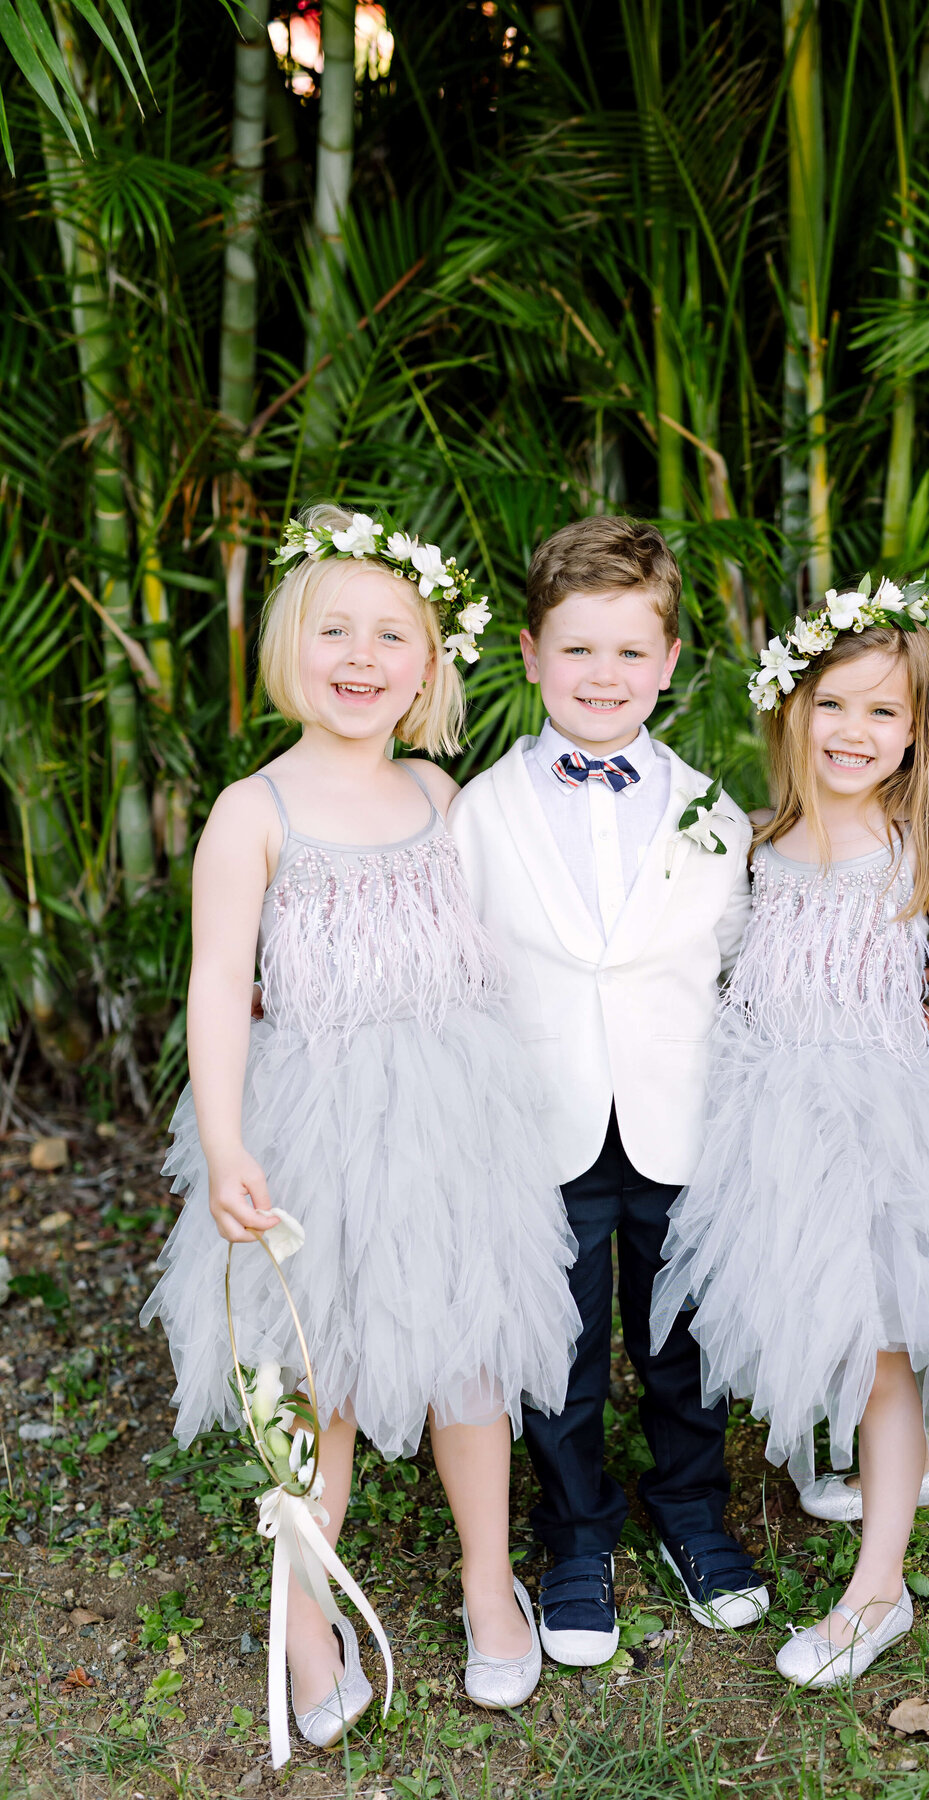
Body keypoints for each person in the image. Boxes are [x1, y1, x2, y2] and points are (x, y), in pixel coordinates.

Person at [142, 504, 579, 1741]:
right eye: (335, 628)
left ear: (430, 661)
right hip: (316, 1126)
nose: (360, 654)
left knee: (470, 1361)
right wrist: (229, 1144)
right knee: (323, 1374)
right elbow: (221, 986)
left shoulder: (441, 794)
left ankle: (488, 1582)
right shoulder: (254, 811)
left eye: (392, 634)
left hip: (449, 1116)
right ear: (292, 644)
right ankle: (304, 1609)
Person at [651, 580, 929, 1689]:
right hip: (766, 1120)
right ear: (792, 708)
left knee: (881, 1336)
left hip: (881, 1116)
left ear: (916, 732)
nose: (856, 733)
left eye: (885, 714)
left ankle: (880, 1586)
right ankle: (880, 1459)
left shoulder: (923, 846)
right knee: (813, 1312)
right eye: (836, 705)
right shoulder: (753, 842)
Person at [450, 515, 771, 1667]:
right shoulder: (475, 814)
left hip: (682, 1121)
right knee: (563, 1345)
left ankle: (693, 1512)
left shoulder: (714, 812)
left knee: (684, 1339)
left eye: (630, 652)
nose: (604, 675)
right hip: (541, 1129)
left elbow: (740, 964)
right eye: (578, 650)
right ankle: (575, 1533)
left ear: (670, 663)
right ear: (531, 656)